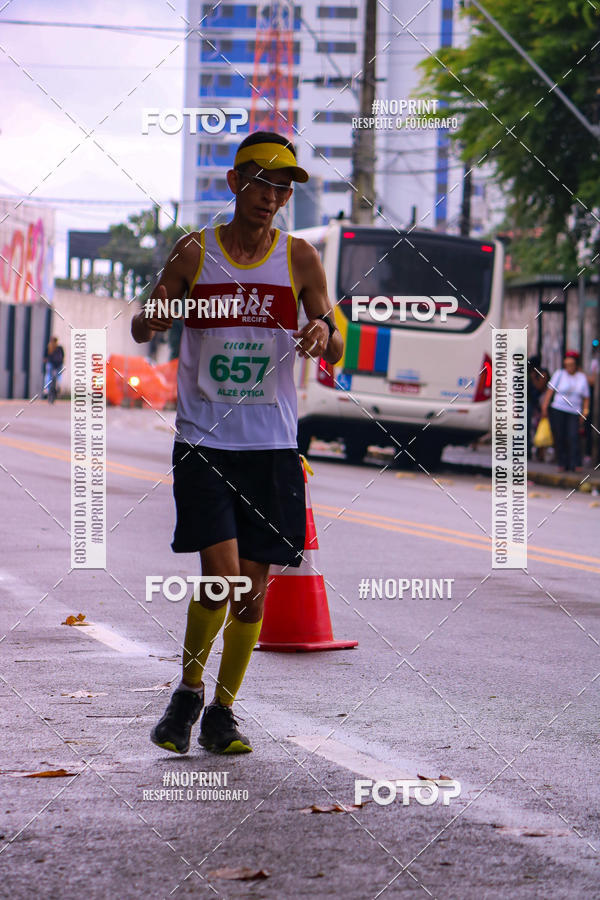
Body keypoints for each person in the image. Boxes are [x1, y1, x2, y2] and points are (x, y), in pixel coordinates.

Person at [131, 131, 344, 755]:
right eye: (261, 182)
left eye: (282, 187)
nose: (271, 196)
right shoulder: (195, 252)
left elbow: (332, 334)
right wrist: (155, 314)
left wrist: (320, 331)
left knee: (252, 596)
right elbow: (149, 316)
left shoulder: (300, 257)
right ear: (234, 183)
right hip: (205, 441)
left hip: (272, 447)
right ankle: (187, 691)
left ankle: (221, 712)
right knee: (221, 578)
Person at [540, 350, 590, 472]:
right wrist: (545, 406)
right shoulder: (559, 374)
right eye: (567, 365)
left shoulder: (581, 378)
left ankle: (575, 463)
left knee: (573, 436)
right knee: (560, 435)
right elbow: (550, 391)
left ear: (576, 365)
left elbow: (586, 397)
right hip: (558, 409)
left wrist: (585, 412)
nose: (569, 368)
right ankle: (562, 462)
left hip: (574, 411)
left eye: (571, 365)